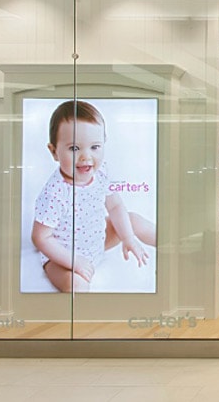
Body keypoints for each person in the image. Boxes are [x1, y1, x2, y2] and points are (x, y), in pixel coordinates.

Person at [31, 100, 156, 293]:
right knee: (75, 284)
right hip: (63, 255)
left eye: (95, 147)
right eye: (74, 148)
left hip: (97, 240)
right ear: (54, 151)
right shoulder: (55, 193)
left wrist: (128, 237)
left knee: (132, 219)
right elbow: (41, 237)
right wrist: (74, 261)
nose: (86, 157)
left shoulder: (101, 172)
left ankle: (173, 245)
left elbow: (115, 206)